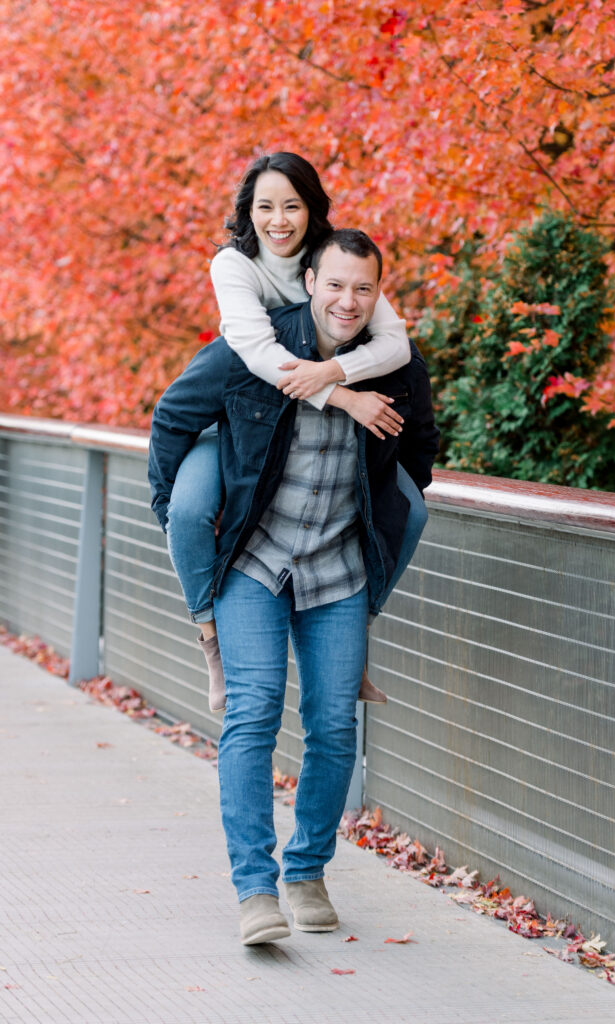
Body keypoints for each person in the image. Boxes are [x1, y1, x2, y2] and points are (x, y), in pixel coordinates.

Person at [149, 229, 440, 945]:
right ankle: (255, 890)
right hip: (256, 563)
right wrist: (176, 509)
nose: (347, 300)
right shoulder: (253, 352)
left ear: (378, 294)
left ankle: (306, 870)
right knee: (251, 715)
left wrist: (383, 509)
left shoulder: (396, 366)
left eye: (363, 289)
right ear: (309, 280)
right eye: (335, 284)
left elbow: (421, 449)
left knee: (334, 724)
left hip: (337, 568)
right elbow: (171, 418)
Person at [165, 152, 425, 712]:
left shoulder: (336, 262)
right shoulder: (234, 265)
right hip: (238, 417)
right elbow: (258, 353)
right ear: (248, 212)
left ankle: (356, 638)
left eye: (292, 205)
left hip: (307, 413)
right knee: (186, 511)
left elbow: (396, 344)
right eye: (265, 206)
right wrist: (345, 396)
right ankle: (209, 634)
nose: (278, 220)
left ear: (311, 210)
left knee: (413, 512)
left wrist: (332, 372)